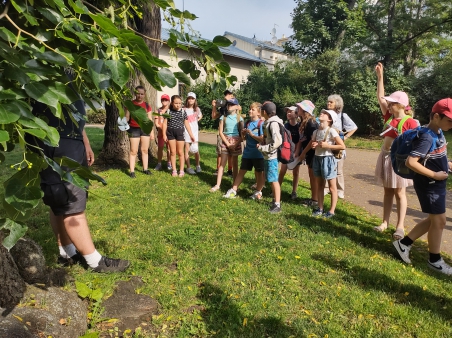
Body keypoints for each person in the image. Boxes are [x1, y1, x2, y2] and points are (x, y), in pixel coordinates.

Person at [28, 83, 129, 272]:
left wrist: (85, 141)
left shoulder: (71, 69)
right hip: (55, 137)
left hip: (72, 137)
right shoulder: (48, 62)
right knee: (70, 199)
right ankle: (94, 261)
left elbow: (73, 108)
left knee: (60, 200)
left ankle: (67, 252)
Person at [393, 98, 452, 275]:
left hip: (437, 184)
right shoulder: (427, 136)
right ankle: (434, 260)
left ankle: (403, 244)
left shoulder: (438, 131)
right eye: (449, 120)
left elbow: (432, 157)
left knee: (434, 220)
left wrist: (447, 164)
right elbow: (412, 162)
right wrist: (434, 174)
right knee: (439, 221)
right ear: (436, 116)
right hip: (430, 185)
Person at [374, 62, 419, 239]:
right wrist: (380, 78)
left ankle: (399, 227)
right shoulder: (389, 116)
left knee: (400, 192)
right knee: (387, 191)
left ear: (401, 105)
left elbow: (417, 142)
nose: (388, 105)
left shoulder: (411, 122)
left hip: (399, 160)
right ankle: (385, 222)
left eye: (392, 103)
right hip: (386, 157)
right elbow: (380, 98)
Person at [301, 109, 345, 218]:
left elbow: (342, 146)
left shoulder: (332, 131)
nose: (322, 113)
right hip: (317, 158)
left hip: (328, 159)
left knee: (332, 187)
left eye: (325, 113)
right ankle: (320, 208)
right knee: (320, 185)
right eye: (322, 112)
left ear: (329, 119)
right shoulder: (316, 132)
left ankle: (331, 211)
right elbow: (311, 144)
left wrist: (328, 146)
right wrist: (306, 151)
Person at [223, 102, 265, 199]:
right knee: (242, 171)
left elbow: (262, 139)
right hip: (247, 153)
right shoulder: (248, 123)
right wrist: (243, 134)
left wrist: (252, 134)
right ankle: (233, 190)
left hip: (258, 154)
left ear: (259, 113)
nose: (250, 111)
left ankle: (258, 192)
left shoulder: (261, 124)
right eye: (250, 109)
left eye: (252, 110)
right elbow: (244, 138)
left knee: (259, 173)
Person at [324, 94, 358, 199]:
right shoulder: (325, 114)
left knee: (338, 170)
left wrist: (346, 137)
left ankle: (340, 190)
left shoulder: (343, 116)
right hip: (327, 146)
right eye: (328, 101)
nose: (328, 103)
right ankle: (326, 188)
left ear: (337, 104)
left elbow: (354, 127)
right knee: (326, 167)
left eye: (331, 102)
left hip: (338, 148)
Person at [209, 98, 243, 192]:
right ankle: (217, 185)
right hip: (225, 140)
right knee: (222, 164)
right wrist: (227, 143)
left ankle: (235, 186)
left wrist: (235, 144)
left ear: (237, 106)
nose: (229, 106)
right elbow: (220, 132)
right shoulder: (223, 117)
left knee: (235, 164)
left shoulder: (239, 118)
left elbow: (242, 134)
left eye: (232, 104)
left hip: (236, 142)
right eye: (228, 104)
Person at [257, 101, 283, 213]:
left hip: (272, 156)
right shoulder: (269, 122)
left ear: (264, 112)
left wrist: (264, 148)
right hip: (269, 156)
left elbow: (278, 141)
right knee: (271, 179)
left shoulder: (273, 124)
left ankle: (277, 204)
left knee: (274, 180)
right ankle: (274, 200)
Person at [125, 86, 155, 178]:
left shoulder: (147, 106)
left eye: (142, 94)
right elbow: (126, 117)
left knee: (145, 150)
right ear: (135, 93)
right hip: (133, 129)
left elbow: (150, 120)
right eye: (138, 93)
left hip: (145, 130)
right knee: (133, 151)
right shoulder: (130, 104)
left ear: (144, 94)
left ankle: (145, 169)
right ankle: (132, 171)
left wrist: (152, 132)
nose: (140, 96)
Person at [162, 95, 195, 177]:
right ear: (172, 103)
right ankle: (174, 170)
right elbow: (165, 124)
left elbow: (186, 124)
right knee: (173, 152)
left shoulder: (183, 112)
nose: (178, 105)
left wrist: (191, 135)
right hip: (170, 133)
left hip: (180, 133)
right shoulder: (168, 112)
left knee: (180, 152)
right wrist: (164, 134)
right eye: (176, 103)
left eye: (180, 103)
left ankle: (181, 170)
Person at [211, 90, 241, 176]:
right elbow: (214, 116)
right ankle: (218, 170)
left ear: (232, 95)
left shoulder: (235, 104)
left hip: (232, 134)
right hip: (222, 132)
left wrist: (231, 101)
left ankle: (230, 171)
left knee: (231, 153)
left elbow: (239, 108)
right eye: (225, 95)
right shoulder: (223, 107)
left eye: (228, 94)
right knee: (220, 152)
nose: (226, 96)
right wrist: (214, 106)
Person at [296, 100, 319, 207]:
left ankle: (315, 200)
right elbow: (302, 139)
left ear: (305, 110)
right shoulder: (303, 121)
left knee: (313, 177)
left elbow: (312, 140)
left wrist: (303, 153)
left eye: (300, 108)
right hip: (309, 153)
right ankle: (314, 198)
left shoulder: (311, 123)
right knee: (311, 176)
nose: (298, 109)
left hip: (313, 153)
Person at [278, 106, 302, 200]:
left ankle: (294, 192)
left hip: (296, 152)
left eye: (290, 112)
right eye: (287, 111)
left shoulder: (300, 126)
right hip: (287, 152)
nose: (288, 113)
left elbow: (300, 140)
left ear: (296, 114)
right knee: (282, 171)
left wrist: (296, 152)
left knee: (296, 172)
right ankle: (277, 189)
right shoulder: (285, 126)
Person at [183, 92, 203, 174]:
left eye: (192, 98)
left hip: (195, 131)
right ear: (187, 99)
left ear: (195, 100)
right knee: (187, 149)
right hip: (186, 131)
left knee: (196, 149)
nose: (191, 100)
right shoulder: (183, 109)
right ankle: (188, 167)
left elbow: (200, 116)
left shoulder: (197, 109)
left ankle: (198, 165)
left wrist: (197, 120)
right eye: (189, 98)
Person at [154, 94, 172, 171]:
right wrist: (161, 128)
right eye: (163, 100)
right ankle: (159, 163)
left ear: (169, 101)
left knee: (169, 149)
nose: (164, 101)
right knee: (160, 148)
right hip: (161, 133)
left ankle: (169, 163)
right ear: (161, 101)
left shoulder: (171, 110)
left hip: (169, 133)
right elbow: (156, 123)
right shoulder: (157, 110)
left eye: (166, 100)